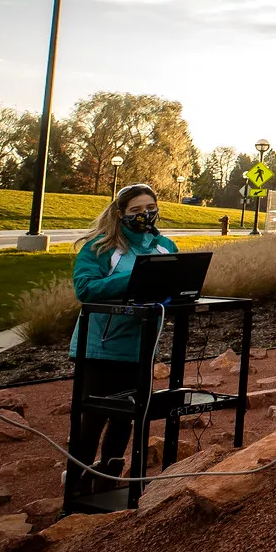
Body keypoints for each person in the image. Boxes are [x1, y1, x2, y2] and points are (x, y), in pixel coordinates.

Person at [66, 184, 177, 494]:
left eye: (150, 208)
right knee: (94, 420)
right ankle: (76, 487)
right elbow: (85, 289)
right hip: (101, 347)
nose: (145, 215)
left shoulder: (164, 246)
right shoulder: (100, 247)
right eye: (136, 211)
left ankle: (109, 479)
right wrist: (134, 277)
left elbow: (171, 288)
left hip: (141, 348)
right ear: (120, 214)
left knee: (126, 419)